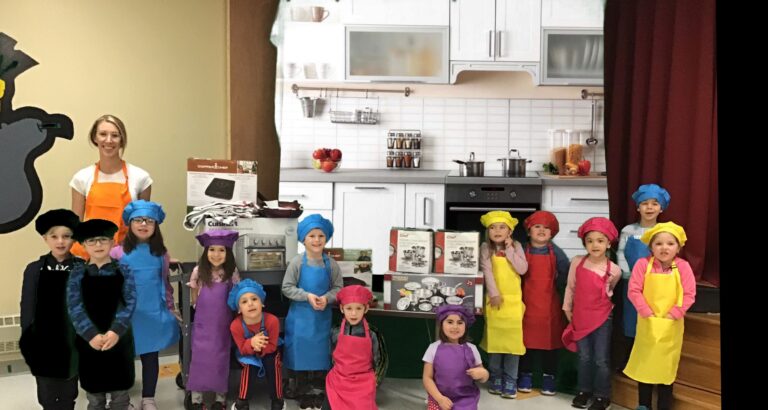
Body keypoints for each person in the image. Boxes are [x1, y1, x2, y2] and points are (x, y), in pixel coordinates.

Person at [110, 200, 180, 410]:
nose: (143, 224)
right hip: (126, 315)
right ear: (130, 224)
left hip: (152, 313)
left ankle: (148, 397)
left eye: (149, 221)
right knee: (122, 359)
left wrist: (171, 308)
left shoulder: (161, 254)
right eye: (138, 220)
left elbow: (164, 284)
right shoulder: (117, 253)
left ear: (156, 225)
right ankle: (121, 400)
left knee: (151, 357)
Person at [623, 222, 696, 410]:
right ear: (651, 247)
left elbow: (689, 294)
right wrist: (646, 311)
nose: (664, 248)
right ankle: (643, 405)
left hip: (671, 325)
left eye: (670, 243)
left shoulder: (683, 267)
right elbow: (634, 290)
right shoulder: (642, 265)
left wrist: (674, 313)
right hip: (647, 323)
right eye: (659, 243)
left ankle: (664, 405)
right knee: (645, 365)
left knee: (666, 368)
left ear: (678, 247)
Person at [66, 219, 137, 410]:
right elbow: (74, 306)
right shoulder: (77, 273)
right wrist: (91, 335)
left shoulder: (124, 270)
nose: (98, 245)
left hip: (119, 338)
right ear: (83, 245)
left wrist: (115, 331)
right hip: (89, 341)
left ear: (112, 242)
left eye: (103, 239)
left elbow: (129, 303)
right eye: (92, 241)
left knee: (120, 393)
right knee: (95, 395)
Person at [19, 209, 81, 409]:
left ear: (74, 239)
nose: (60, 242)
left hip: (72, 338)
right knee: (47, 391)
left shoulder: (82, 267)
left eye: (66, 236)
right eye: (54, 236)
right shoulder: (34, 269)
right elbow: (27, 305)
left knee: (69, 389)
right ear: (45, 238)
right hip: (43, 339)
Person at [282, 214, 343, 409]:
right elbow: (287, 288)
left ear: (326, 238)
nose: (317, 240)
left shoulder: (331, 264)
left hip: (321, 319)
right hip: (300, 319)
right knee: (299, 353)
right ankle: (300, 390)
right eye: (312, 236)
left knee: (320, 353)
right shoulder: (297, 263)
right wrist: (307, 296)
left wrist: (327, 298)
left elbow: (338, 289)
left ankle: (318, 391)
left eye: (321, 236)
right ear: (303, 239)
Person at [69, 114, 152, 259]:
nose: (108, 140)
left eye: (115, 135)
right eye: (103, 134)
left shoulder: (140, 178)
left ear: (122, 140)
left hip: (128, 258)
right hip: (90, 259)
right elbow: (75, 227)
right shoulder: (81, 178)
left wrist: (161, 257)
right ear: (95, 138)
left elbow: (144, 227)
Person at [562, 217, 621, 410]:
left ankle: (602, 396)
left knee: (601, 359)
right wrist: (567, 309)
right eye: (590, 241)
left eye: (600, 240)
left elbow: (610, 291)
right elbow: (570, 287)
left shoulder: (614, 270)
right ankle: (583, 391)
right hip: (580, 317)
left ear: (608, 243)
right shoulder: (577, 262)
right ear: (584, 243)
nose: (595, 245)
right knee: (584, 356)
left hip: (603, 318)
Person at [186, 229, 241, 410]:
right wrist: (198, 307)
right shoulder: (198, 271)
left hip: (222, 326)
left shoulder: (231, 272)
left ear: (228, 253)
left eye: (221, 250)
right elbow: (194, 296)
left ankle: (220, 399)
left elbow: (236, 296)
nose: (216, 254)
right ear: (205, 251)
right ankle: (196, 399)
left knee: (220, 360)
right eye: (212, 250)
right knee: (199, 360)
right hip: (203, 325)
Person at [617, 184, 670, 363]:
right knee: (631, 320)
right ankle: (629, 360)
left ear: (661, 208)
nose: (649, 207)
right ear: (637, 207)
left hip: (655, 285)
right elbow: (621, 254)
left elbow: (667, 257)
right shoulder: (628, 231)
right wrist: (628, 274)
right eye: (645, 203)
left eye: (654, 203)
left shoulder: (663, 232)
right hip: (631, 283)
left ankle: (649, 361)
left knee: (651, 319)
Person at [517, 211, 569, 396]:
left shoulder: (558, 254)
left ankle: (549, 377)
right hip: (525, 304)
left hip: (550, 306)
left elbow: (564, 276)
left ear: (552, 232)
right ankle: (525, 375)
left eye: (546, 228)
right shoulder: (521, 251)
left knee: (551, 345)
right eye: (537, 226)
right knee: (525, 344)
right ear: (528, 231)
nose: (541, 230)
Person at [478, 211, 528, 399]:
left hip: (513, 303)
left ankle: (510, 380)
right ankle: (496, 377)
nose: (497, 231)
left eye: (502, 227)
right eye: (492, 227)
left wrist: (509, 251)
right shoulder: (485, 248)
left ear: (510, 231)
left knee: (513, 345)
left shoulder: (517, 246)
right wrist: (494, 294)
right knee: (495, 343)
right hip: (495, 301)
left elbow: (522, 269)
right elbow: (487, 272)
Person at [228, 279, 284, 410]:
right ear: (239, 309)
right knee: (249, 365)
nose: (250, 304)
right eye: (244, 302)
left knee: (273, 364)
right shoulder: (235, 326)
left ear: (262, 303)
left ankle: (277, 399)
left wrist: (260, 349)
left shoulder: (272, 321)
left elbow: (272, 345)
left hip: (269, 351)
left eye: (254, 299)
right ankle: (242, 400)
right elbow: (242, 349)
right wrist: (251, 343)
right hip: (246, 353)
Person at [422, 305, 489, 410]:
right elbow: (427, 378)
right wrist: (439, 398)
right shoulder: (433, 348)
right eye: (450, 322)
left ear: (466, 326)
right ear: (441, 324)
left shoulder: (472, 349)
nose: (455, 327)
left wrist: (483, 374)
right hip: (439, 396)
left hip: (466, 398)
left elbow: (484, 376)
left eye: (460, 322)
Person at [324, 285, 378, 410]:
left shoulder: (372, 334)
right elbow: (331, 354)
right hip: (338, 381)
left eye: (358, 308)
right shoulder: (335, 332)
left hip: (363, 383)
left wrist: (375, 380)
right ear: (342, 309)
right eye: (349, 308)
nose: (354, 313)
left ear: (366, 308)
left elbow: (379, 360)